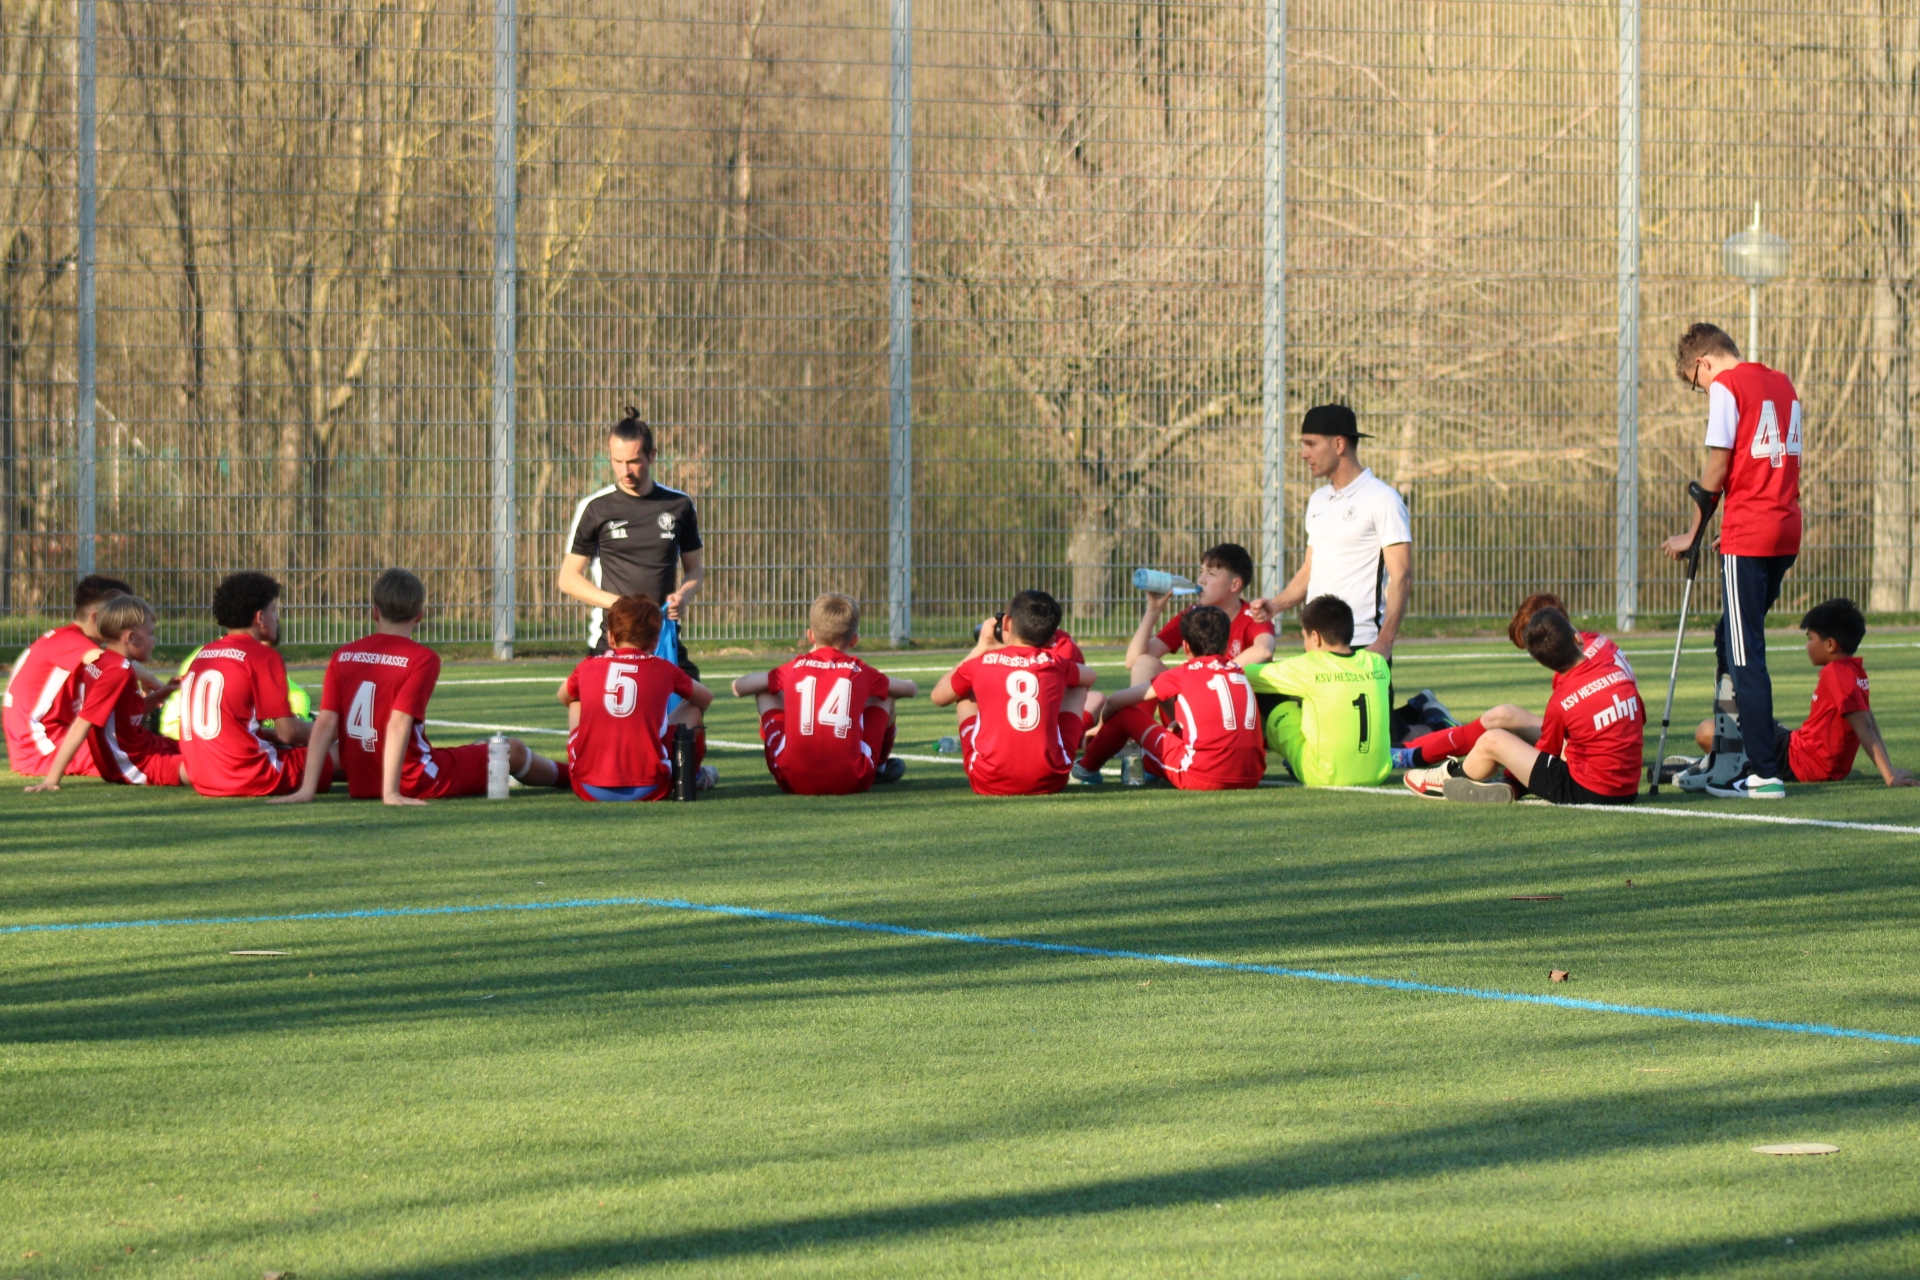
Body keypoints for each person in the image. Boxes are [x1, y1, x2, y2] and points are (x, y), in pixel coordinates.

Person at [274, 569, 567, 806]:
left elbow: (325, 723)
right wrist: (391, 793)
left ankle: (478, 754)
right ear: (419, 615)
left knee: (473, 752)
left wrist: (307, 790)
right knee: (510, 750)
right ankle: (575, 777)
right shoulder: (421, 658)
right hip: (415, 777)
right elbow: (398, 723)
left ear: (374, 612)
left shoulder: (343, 655)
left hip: (361, 779)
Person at [1660, 322, 1802, 801]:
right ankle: (1727, 753)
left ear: (1703, 363)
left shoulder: (1727, 386)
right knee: (1730, 637)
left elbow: (1717, 465)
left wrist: (1693, 533)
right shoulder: (1781, 383)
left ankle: (1762, 772)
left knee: (1746, 655)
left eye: (1696, 383)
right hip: (1785, 529)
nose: (1703, 391)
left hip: (1751, 534)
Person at [1404, 607, 1642, 805]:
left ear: (1542, 663)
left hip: (1588, 791)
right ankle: (1504, 784)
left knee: (1492, 740)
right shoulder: (1614, 670)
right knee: (1508, 716)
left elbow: (1547, 755)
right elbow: (1638, 718)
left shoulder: (1561, 701)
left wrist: (1513, 769)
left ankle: (1449, 779)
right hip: (1628, 788)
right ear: (1577, 638)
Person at [1073, 543, 1271, 779]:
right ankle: (1138, 750)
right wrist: (1153, 610)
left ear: (1235, 585)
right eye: (1201, 572)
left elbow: (1264, 650)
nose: (1201, 579)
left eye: (1211, 574)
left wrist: (1212, 673)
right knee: (1145, 663)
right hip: (1200, 723)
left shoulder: (1253, 615)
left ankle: (1122, 756)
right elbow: (1134, 660)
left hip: (1233, 723)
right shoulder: (1194, 616)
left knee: (1128, 709)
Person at [1692, 598, 1913, 788]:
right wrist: (1889, 768)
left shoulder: (1836, 674)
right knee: (1749, 719)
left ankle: (1719, 764)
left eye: (1810, 639)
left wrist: (1889, 776)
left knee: (1707, 730)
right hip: (1796, 749)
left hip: (1797, 761)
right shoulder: (1855, 671)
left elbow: (1864, 726)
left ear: (1830, 644)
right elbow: (1868, 721)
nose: (1807, 646)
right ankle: (1718, 759)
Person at [1250, 404, 1411, 657]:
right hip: (1315, 645)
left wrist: (1385, 641)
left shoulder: (1383, 498)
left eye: (1311, 444)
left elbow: (1402, 575)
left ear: (1338, 444)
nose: (1303, 454)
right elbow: (1309, 570)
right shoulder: (1318, 500)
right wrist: (1275, 605)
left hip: (1361, 644)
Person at [557, 408, 704, 670]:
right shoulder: (596, 508)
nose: (625, 471)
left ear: (652, 455)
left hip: (661, 637)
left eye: (634, 461)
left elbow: (695, 570)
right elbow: (568, 578)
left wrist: (683, 595)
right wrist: (621, 605)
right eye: (617, 461)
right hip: (613, 641)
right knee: (577, 693)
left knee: (694, 694)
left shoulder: (678, 505)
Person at [732, 591, 918, 795]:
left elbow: (738, 687)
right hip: (852, 779)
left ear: (810, 635)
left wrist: (778, 679)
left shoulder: (793, 668)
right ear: (854, 640)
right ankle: (880, 766)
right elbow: (910, 690)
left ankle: (779, 746)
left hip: (793, 780)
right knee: (885, 695)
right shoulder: (860, 671)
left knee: (766, 692)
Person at [176, 571, 336, 798]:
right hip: (249, 775)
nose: (277, 618)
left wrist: (270, 735)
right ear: (260, 618)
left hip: (203, 776)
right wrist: (333, 730)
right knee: (345, 753)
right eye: (274, 610)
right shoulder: (262, 656)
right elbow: (290, 733)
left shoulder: (203, 654)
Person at [931, 589, 1097, 797]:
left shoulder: (979, 663)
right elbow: (1090, 676)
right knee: (1077, 685)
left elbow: (938, 696)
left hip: (989, 781)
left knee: (965, 690)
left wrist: (981, 648)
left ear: (1007, 623)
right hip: (1051, 779)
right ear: (1051, 635)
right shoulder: (1056, 663)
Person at [1086, 604, 1266, 790]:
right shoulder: (1239, 671)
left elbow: (1115, 700)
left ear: (1186, 646)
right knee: (1175, 728)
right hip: (1252, 775)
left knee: (1126, 715)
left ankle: (1084, 769)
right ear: (1226, 645)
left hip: (1203, 776)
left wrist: (1100, 727)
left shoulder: (1184, 674)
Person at [560, 594, 716, 802]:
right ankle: (693, 775)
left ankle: (587, 767)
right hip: (652, 787)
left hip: (589, 788)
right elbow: (705, 698)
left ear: (611, 637)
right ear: (655, 641)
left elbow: (564, 696)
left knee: (576, 701)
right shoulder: (664, 669)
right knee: (694, 709)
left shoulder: (587, 666)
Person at [23, 594, 186, 791]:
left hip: (144, 746)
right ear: (131, 638)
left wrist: (164, 692)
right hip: (136, 763)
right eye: (151, 633)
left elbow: (124, 716)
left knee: (202, 749)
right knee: (205, 767)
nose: (155, 640)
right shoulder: (117, 671)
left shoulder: (105, 662)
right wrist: (51, 780)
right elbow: (82, 725)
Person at [1240, 595, 1393, 787]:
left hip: (1322, 775)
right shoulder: (1377, 663)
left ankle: (1245, 762)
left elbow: (1244, 673)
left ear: (1315, 637)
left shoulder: (1309, 666)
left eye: (1304, 637)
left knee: (1267, 694)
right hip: (1379, 772)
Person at [4, 574, 134, 777]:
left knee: (135, 741)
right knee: (137, 755)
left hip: (50, 741)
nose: (131, 623)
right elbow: (112, 664)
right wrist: (154, 683)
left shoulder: (67, 639)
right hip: (43, 751)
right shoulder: (68, 641)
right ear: (96, 618)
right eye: (123, 615)